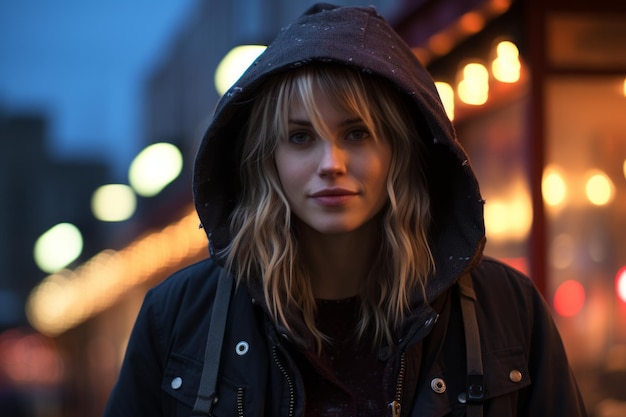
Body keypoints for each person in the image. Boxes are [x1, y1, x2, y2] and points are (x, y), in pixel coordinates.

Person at [103, 3, 588, 416]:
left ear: (399, 149)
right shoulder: (180, 316)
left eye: (357, 133)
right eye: (300, 137)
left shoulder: (507, 308)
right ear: (268, 158)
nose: (331, 164)